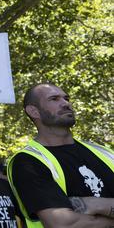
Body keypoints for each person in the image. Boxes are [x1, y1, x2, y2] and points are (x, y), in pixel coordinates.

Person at [8, 82, 114, 227]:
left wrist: (97, 204)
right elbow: (62, 224)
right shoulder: (27, 161)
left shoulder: (104, 152)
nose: (66, 104)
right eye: (54, 99)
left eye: (66, 98)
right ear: (34, 111)